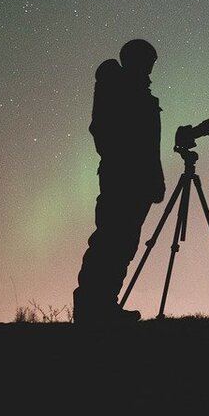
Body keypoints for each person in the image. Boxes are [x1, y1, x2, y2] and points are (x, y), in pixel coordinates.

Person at [73, 39, 166, 323]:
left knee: (123, 243)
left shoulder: (138, 92)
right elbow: (103, 130)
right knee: (111, 241)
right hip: (122, 178)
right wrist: (125, 162)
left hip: (136, 180)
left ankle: (104, 305)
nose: (150, 70)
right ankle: (92, 308)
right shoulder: (118, 87)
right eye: (147, 63)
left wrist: (154, 177)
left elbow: (150, 145)